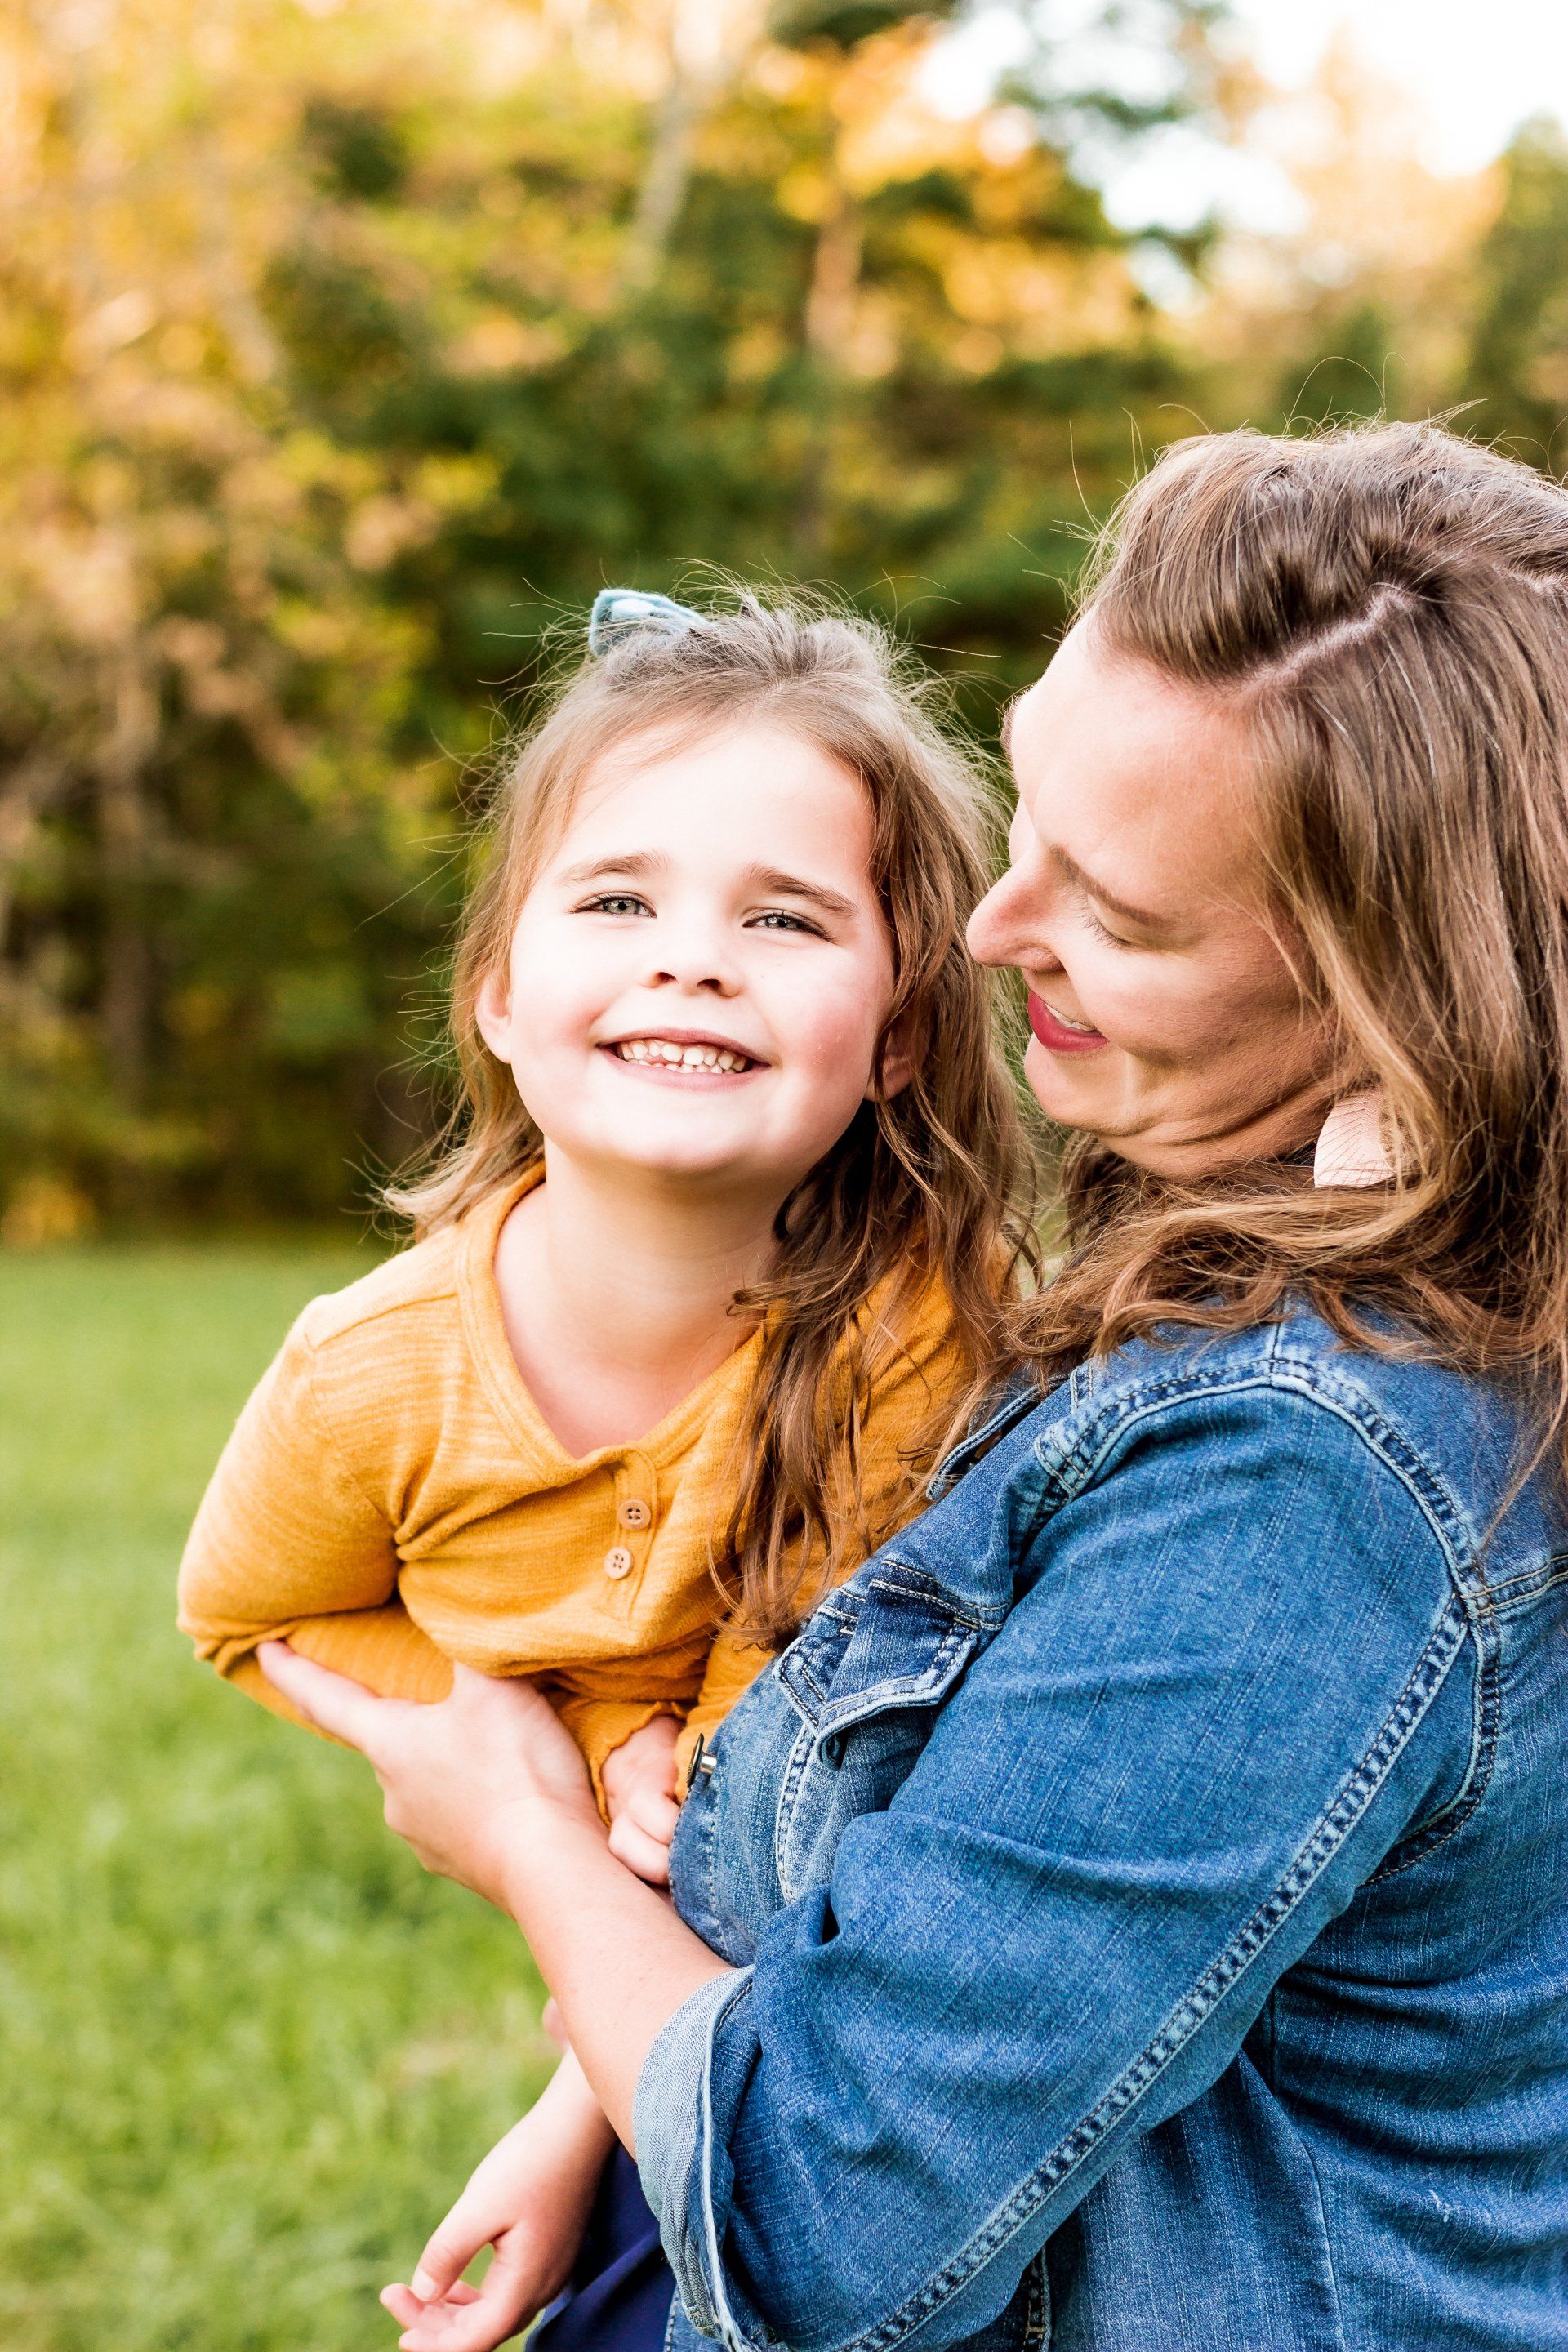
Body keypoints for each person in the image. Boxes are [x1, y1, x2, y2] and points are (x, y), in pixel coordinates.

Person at [265, 422, 1568, 2352]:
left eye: (1114, 917)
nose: (983, 928)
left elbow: (821, 2221)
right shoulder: (1234, 1303)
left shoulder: (1304, 1487)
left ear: (1395, 1001)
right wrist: (597, 2116)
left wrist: (524, 1834)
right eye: (1022, 812)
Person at [176, 588, 1036, 2325]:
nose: (691, 956)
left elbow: (790, 1800)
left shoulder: (911, 1345)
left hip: (828, 1945)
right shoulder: (371, 1377)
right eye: (620, 898)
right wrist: (552, 1745)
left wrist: (577, 2105)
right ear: (496, 992)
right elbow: (251, 1618)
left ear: (901, 1037)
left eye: (784, 916)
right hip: (665, 1952)